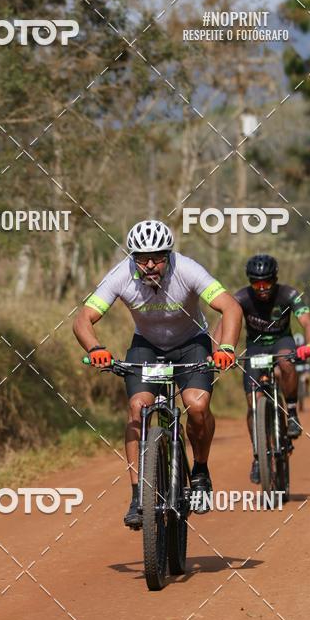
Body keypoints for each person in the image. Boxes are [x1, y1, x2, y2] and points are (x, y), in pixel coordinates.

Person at [73, 220, 242, 528]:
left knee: (197, 404)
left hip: (192, 344)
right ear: (132, 256)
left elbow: (230, 307)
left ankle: (201, 470)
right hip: (147, 346)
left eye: (158, 256)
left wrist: (226, 348)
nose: (150, 264)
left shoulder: (188, 270)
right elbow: (84, 317)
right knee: (138, 407)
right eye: (142, 257)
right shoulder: (120, 275)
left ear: (169, 254)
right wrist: (95, 348)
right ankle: (139, 494)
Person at [217, 254, 310, 485]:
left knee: (286, 363)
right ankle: (257, 455)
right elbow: (221, 325)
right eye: (256, 282)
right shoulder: (241, 297)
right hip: (255, 347)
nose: (261, 287)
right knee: (254, 401)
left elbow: (308, 322)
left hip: (282, 342)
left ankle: (291, 412)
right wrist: (219, 352)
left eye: (266, 282)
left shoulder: (289, 294)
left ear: (275, 279)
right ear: (250, 282)